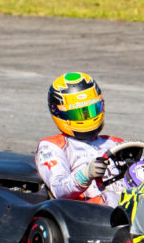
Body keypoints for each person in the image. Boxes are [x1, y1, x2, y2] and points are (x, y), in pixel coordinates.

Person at [35, 72, 126, 206]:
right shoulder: (52, 146)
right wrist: (87, 173)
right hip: (88, 210)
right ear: (59, 112)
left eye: (92, 109)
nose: (87, 117)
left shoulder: (115, 142)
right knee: (113, 199)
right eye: (78, 113)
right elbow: (59, 190)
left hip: (129, 204)